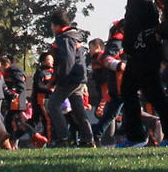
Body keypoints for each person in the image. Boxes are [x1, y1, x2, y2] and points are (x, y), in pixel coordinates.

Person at [117, 0, 168, 148]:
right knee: (138, 90)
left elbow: (131, 25)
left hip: (140, 52)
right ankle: (136, 134)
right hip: (155, 50)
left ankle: (136, 136)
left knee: (146, 92)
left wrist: (128, 48)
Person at [45, 10, 94, 147]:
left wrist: (60, 80)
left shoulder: (64, 38)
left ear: (57, 25)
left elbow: (67, 61)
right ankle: (88, 139)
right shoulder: (74, 36)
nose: (51, 28)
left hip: (70, 78)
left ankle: (65, 137)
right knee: (78, 110)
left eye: (52, 25)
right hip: (79, 78)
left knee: (53, 105)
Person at [91, 21, 124, 145]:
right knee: (116, 111)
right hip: (120, 82)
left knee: (112, 112)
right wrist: (120, 65)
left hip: (118, 82)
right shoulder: (118, 40)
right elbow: (107, 58)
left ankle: (96, 135)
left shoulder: (117, 40)